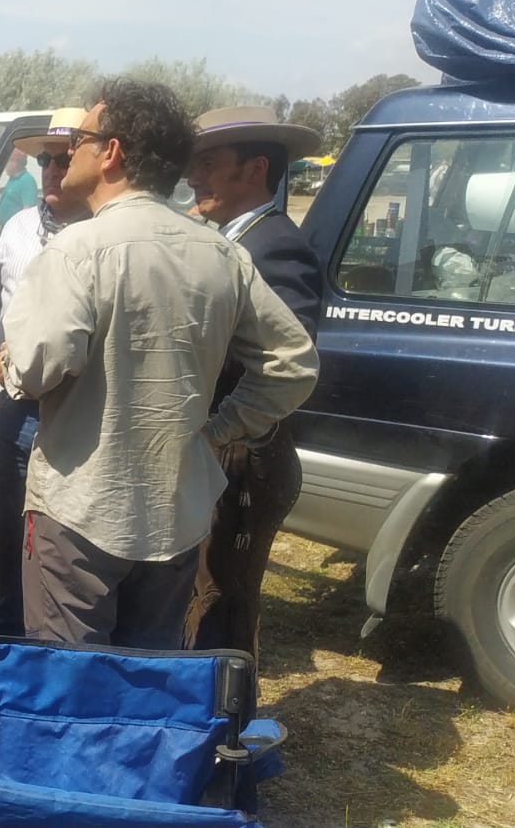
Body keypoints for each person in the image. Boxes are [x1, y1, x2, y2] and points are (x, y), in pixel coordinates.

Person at [0, 78, 320, 650]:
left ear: (112, 152)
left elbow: (34, 371)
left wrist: (7, 364)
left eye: (81, 139)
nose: (68, 152)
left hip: (80, 511)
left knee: (71, 688)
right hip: (175, 515)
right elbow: (293, 363)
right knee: (146, 681)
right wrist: (218, 431)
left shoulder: (76, 250)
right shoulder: (222, 253)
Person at [184, 106, 324, 658]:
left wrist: (218, 431)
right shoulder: (233, 239)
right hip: (226, 454)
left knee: (221, 604)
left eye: (208, 163)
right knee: (204, 598)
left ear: (255, 168)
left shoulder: (274, 246)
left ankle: (224, 732)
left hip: (241, 458)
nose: (194, 176)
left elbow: (283, 359)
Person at [0, 107, 90, 636]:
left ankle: (48, 643)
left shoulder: (102, 238)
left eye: (64, 160)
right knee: (3, 535)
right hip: (17, 412)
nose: (53, 171)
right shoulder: (17, 229)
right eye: (47, 161)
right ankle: (2, 641)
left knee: (66, 542)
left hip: (77, 414)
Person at [0, 150, 40, 228]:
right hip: (3, 228)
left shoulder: (27, 181)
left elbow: (28, 211)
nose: (5, 165)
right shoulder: (12, 179)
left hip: (14, 230)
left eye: (7, 161)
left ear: (15, 162)